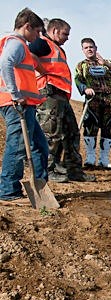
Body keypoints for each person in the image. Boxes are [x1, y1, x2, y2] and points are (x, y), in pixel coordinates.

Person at [35, 18, 95, 183]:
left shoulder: (56, 48)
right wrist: (42, 71)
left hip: (61, 97)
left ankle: (73, 170)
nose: (68, 38)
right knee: (51, 134)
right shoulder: (43, 43)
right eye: (65, 34)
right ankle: (49, 170)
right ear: (54, 30)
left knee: (71, 133)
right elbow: (27, 55)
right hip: (49, 95)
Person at [0, 8, 49, 205]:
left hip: (24, 105)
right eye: (37, 31)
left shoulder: (20, 45)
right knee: (18, 145)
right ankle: (8, 190)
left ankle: (40, 184)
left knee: (39, 145)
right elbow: (5, 63)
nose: (37, 36)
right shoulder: (16, 43)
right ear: (27, 27)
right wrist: (15, 94)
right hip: (16, 105)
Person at [74, 37, 111, 168]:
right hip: (92, 100)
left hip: (109, 100)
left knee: (109, 128)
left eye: (91, 47)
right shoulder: (81, 65)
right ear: (83, 50)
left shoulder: (107, 63)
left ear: (96, 48)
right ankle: (90, 157)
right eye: (86, 48)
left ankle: (104, 158)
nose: (89, 49)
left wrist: (106, 63)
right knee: (90, 126)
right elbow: (78, 79)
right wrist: (85, 89)